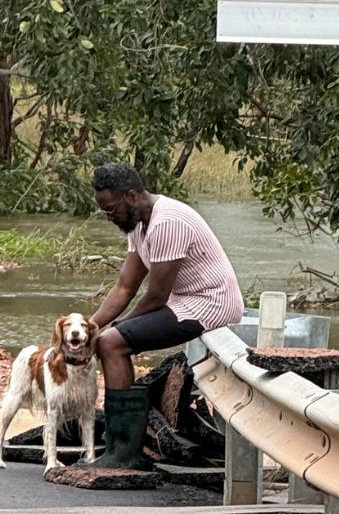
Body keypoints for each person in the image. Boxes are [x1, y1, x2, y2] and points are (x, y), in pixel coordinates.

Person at [81, 163, 243, 469]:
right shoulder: (139, 225)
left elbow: (157, 297)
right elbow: (125, 286)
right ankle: (121, 444)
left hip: (209, 303)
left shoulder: (167, 222)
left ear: (131, 196)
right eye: (104, 211)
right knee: (106, 339)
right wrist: (91, 327)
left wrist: (115, 330)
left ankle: (123, 453)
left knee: (113, 343)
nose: (109, 216)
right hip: (183, 301)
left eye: (111, 209)